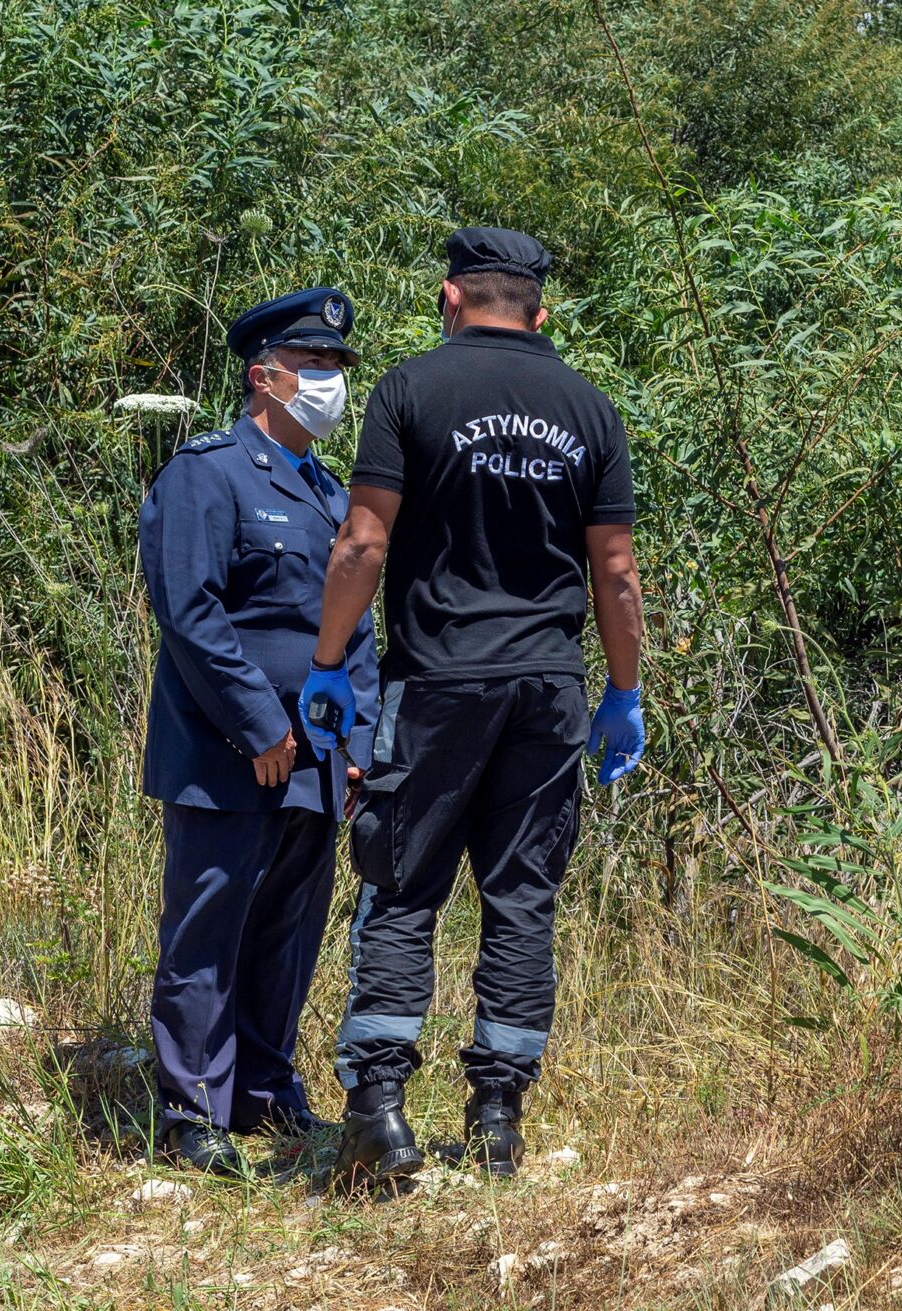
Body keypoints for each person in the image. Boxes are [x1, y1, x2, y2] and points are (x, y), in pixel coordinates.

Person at [299, 228, 645, 1189]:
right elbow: (614, 573)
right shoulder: (590, 409)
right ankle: (498, 1116)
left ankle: (377, 1108)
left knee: (402, 884)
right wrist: (622, 692)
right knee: (522, 895)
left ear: (452, 299)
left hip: (438, 679)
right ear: (543, 312)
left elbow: (362, 544)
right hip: (547, 690)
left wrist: (329, 663)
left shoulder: (409, 390)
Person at [138, 286, 379, 1175]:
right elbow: (191, 615)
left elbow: (356, 630)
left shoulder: (329, 495)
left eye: (336, 369)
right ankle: (191, 1110)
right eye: (313, 366)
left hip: (315, 762)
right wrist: (260, 727)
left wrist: (355, 748)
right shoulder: (206, 472)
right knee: (209, 927)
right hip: (226, 754)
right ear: (263, 374)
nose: (329, 383)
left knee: (286, 930)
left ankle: (267, 1091)